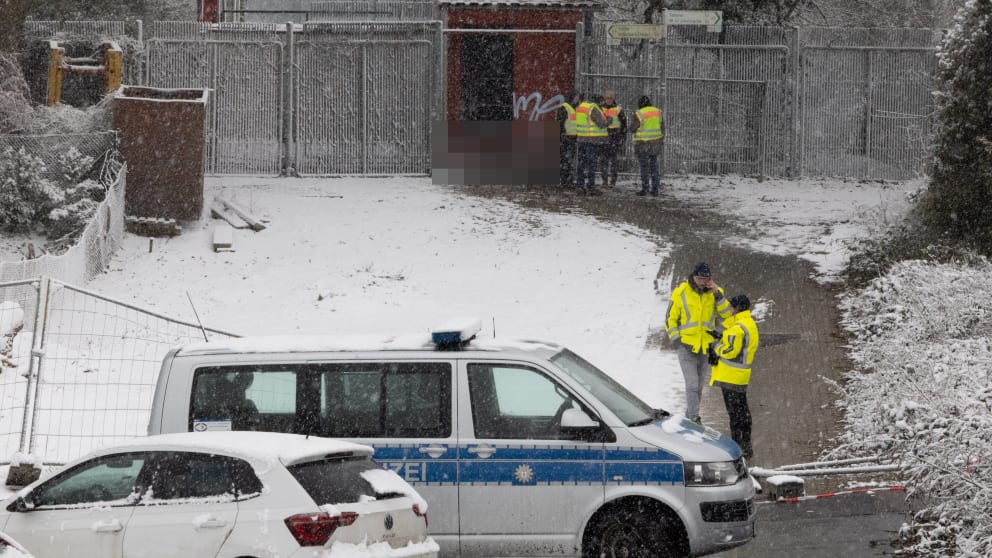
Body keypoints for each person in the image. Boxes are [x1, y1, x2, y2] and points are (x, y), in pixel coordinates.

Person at [665, 262, 731, 424]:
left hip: (706, 348)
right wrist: (677, 341)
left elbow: (727, 314)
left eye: (705, 278)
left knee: (699, 387)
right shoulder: (680, 292)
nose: (702, 281)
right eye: (699, 278)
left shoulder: (716, 292)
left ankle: (689, 417)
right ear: (693, 277)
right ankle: (695, 417)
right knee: (692, 385)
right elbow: (670, 319)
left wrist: (717, 294)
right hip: (686, 347)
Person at [708, 294, 760, 460]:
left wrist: (716, 349)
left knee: (735, 415)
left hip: (729, 376)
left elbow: (731, 350)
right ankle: (747, 445)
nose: (729, 309)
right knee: (743, 411)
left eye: (731, 306)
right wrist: (722, 336)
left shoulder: (737, 328)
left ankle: (737, 448)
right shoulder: (748, 324)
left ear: (736, 308)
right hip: (741, 375)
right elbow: (740, 343)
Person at [629, 95, 664, 196]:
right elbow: (662, 127)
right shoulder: (658, 112)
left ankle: (645, 188)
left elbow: (633, 128)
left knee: (644, 167)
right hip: (655, 143)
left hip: (643, 144)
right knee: (654, 166)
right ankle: (655, 189)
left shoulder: (639, 113)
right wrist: (661, 139)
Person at [574, 93, 608, 196]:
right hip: (591, 140)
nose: (603, 104)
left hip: (581, 139)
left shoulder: (580, 107)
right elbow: (601, 124)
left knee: (581, 164)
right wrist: (609, 120)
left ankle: (580, 186)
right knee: (591, 164)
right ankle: (591, 187)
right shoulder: (593, 108)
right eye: (602, 102)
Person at [598, 90, 627, 187]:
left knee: (614, 160)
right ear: (604, 98)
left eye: (611, 97)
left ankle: (613, 181)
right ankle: (605, 180)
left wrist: (623, 137)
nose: (609, 99)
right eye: (607, 97)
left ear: (613, 98)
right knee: (603, 160)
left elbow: (624, 124)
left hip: (615, 136)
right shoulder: (600, 108)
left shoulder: (618, 109)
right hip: (604, 136)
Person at [556, 90, 580, 190]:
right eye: (576, 97)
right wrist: (563, 134)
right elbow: (560, 123)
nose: (577, 99)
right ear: (572, 97)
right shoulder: (565, 107)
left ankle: (568, 181)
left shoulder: (575, 108)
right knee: (565, 160)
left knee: (569, 160)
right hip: (566, 138)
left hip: (572, 137)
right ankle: (564, 181)